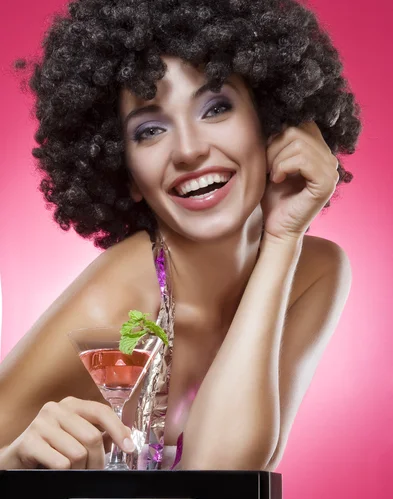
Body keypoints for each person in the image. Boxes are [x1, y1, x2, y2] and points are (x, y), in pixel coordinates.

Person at [0, 0, 361, 471]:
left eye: (216, 107)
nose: (189, 150)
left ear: (271, 124)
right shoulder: (122, 300)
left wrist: (283, 238)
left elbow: (230, 478)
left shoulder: (315, 272)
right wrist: (13, 462)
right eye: (150, 130)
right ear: (126, 172)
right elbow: (212, 483)